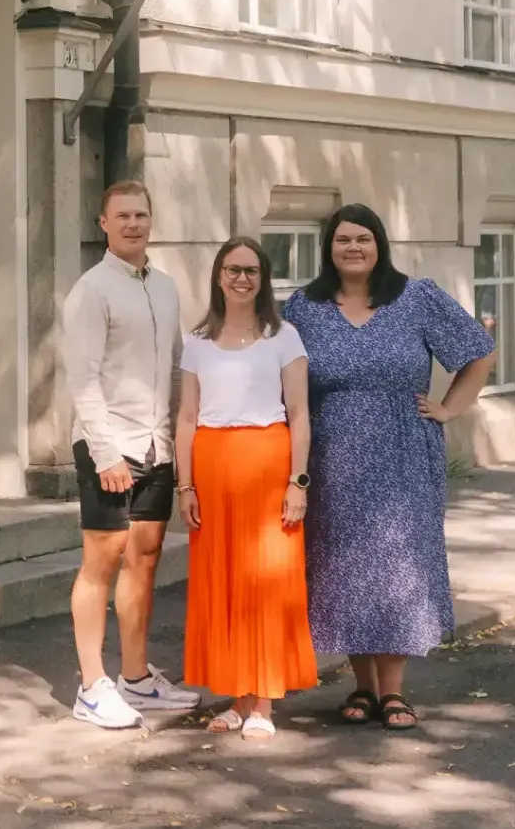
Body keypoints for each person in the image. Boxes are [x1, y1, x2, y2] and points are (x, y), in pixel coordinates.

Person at [279, 203, 496, 731]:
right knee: (345, 569)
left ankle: (393, 691)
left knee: (398, 565)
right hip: (333, 457)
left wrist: (449, 408)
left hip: (404, 453)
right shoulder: (305, 307)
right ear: (329, 248)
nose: (353, 248)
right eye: (343, 240)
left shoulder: (416, 297)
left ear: (379, 245)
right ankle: (360, 686)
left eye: (363, 239)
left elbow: (479, 351)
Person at [60, 180, 201, 728]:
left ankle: (136, 679)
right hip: (109, 445)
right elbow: (82, 379)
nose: (133, 224)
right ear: (103, 224)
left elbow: (175, 368)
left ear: (151, 220)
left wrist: (177, 444)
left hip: (155, 445)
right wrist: (105, 454)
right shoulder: (91, 290)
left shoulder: (163, 287)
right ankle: (92, 686)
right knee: (103, 560)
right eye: (122, 216)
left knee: (144, 559)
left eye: (141, 215)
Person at [171, 236, 317, 741]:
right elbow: (186, 417)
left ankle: (264, 702)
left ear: (263, 279)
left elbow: (299, 414)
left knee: (267, 581)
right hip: (212, 469)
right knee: (225, 582)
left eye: (252, 271)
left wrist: (298, 482)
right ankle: (238, 696)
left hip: (268, 466)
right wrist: (184, 485)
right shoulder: (197, 341)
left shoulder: (284, 336)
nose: (242, 279)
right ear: (218, 276)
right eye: (233, 270)